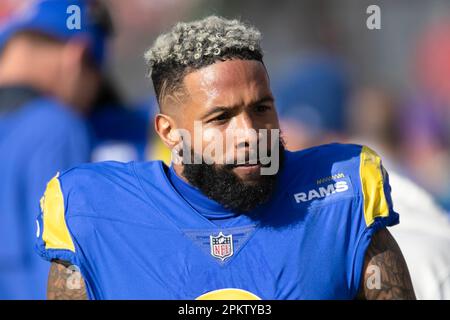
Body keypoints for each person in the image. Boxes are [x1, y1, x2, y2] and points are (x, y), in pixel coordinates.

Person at [35, 16, 415, 300]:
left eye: (262, 108)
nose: (250, 134)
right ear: (169, 131)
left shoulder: (340, 193)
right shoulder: (92, 213)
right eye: (221, 118)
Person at [0, 0, 111, 299]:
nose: (90, 105)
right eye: (97, 88)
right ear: (78, 55)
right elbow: (61, 262)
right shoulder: (56, 128)